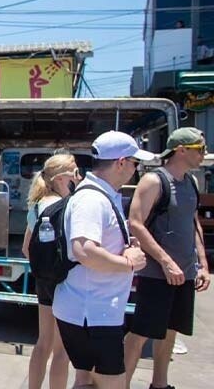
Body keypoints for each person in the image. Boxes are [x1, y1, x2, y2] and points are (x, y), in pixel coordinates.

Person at [52, 131, 149, 389]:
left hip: (92, 312)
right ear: (120, 162)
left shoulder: (102, 194)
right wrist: (129, 263)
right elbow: (84, 250)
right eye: (134, 163)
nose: (135, 169)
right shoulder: (92, 198)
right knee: (113, 384)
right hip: (93, 313)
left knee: (86, 381)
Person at [124, 128, 211, 389]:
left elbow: (193, 222)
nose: (203, 155)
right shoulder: (154, 181)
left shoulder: (192, 183)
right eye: (199, 150)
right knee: (141, 332)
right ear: (181, 150)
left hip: (184, 272)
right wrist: (165, 261)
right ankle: (120, 384)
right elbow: (135, 223)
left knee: (170, 331)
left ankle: (159, 384)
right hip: (156, 273)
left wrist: (203, 264)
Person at [20, 154, 79, 389]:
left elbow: (27, 248)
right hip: (67, 281)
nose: (80, 176)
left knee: (43, 342)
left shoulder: (37, 207)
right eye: (76, 173)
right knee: (62, 349)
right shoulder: (69, 206)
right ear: (63, 178)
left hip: (44, 281)